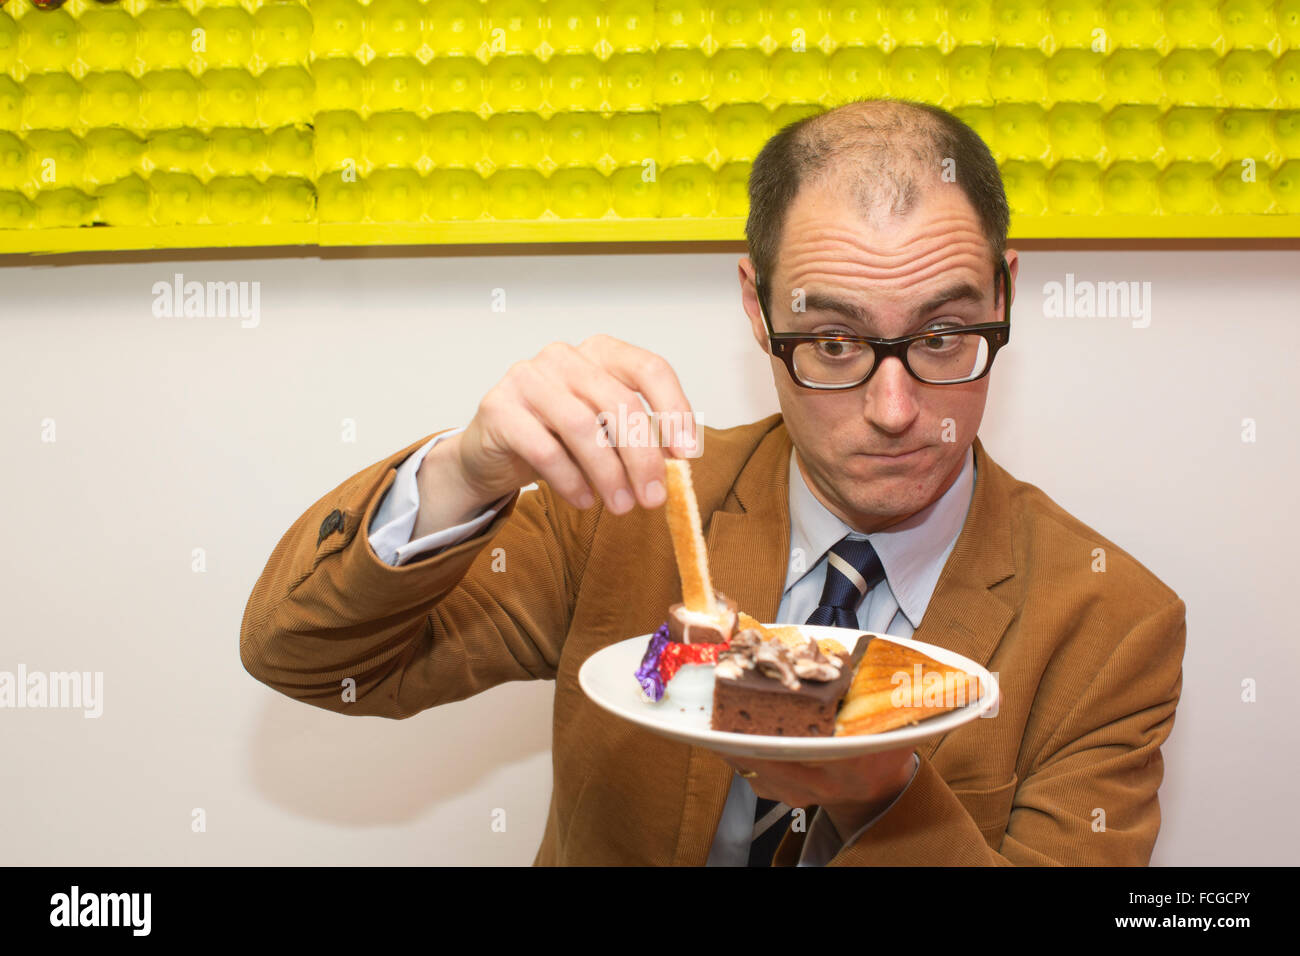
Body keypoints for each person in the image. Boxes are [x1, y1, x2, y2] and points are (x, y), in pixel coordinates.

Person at [240, 98, 1186, 866]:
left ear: (1006, 294)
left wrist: (877, 791)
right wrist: (464, 468)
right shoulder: (627, 512)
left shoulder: (1114, 626)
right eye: (832, 342)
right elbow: (311, 660)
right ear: (755, 304)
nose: (896, 409)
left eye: (942, 337)